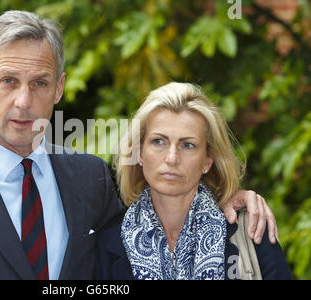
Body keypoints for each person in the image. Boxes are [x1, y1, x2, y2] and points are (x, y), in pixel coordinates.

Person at [0, 11, 277, 280]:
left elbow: (162, 211)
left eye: (39, 83)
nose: (23, 101)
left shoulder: (90, 177)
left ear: (59, 88)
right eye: (8, 81)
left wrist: (230, 197)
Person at [95, 82, 291, 280]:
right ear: (138, 153)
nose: (172, 158)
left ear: (207, 160)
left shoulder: (250, 230)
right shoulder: (107, 243)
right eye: (158, 141)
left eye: (188, 145)